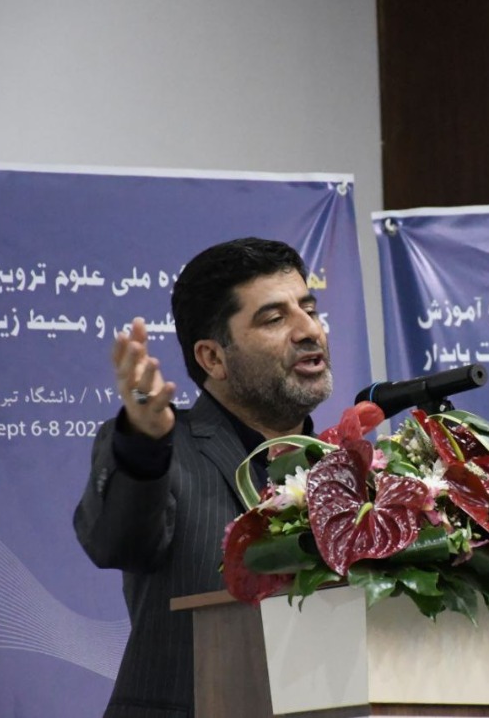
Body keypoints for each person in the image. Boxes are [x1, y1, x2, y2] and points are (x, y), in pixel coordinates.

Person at [74, 237, 333, 717]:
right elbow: (117, 542)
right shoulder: (168, 450)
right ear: (213, 358)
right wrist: (143, 445)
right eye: (274, 319)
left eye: (310, 309)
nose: (308, 330)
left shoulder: (348, 473)